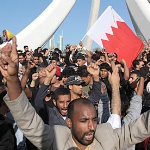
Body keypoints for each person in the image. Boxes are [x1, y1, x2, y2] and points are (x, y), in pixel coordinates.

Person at [2, 37, 150, 150]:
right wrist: (12, 79)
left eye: (93, 119)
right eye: (84, 121)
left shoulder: (107, 137)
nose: (91, 126)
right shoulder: (57, 139)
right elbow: (28, 121)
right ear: (69, 123)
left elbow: (141, 126)